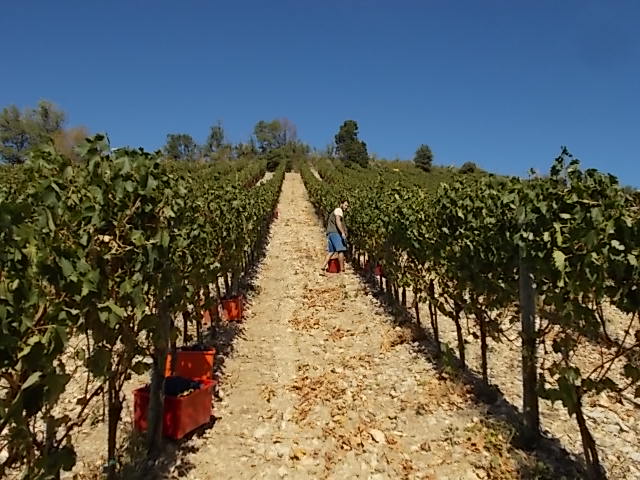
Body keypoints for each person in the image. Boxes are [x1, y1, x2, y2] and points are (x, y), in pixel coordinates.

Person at [321, 199, 349, 273]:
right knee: (341, 250)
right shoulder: (339, 210)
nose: (346, 207)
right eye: (345, 205)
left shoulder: (335, 211)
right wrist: (342, 233)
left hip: (330, 234)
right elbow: (338, 221)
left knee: (331, 252)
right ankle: (342, 270)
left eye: (347, 206)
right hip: (335, 233)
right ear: (341, 204)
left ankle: (323, 267)